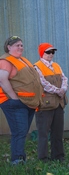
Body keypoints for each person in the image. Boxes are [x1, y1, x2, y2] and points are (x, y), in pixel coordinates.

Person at [0, 36, 43, 165]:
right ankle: (17, 160)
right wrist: (14, 97)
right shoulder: (6, 61)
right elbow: (2, 79)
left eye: (21, 45)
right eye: (17, 45)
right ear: (9, 47)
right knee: (19, 131)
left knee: (22, 131)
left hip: (27, 102)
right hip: (15, 103)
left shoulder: (22, 60)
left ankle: (20, 158)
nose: (20, 47)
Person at [34, 43, 68, 162]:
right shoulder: (36, 67)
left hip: (59, 103)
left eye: (53, 52)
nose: (51, 54)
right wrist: (58, 91)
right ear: (42, 53)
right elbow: (42, 83)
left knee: (58, 132)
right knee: (43, 133)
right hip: (45, 105)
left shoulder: (56, 65)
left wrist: (63, 89)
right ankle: (43, 158)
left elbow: (64, 78)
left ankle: (58, 156)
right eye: (48, 52)